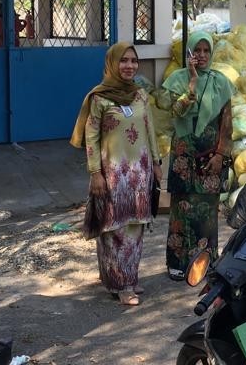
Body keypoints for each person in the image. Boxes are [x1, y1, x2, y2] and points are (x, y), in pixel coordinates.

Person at [71, 42, 162, 306]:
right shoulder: (99, 98)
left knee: (136, 226)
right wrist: (95, 172)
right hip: (113, 174)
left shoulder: (140, 95)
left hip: (140, 172)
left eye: (133, 61)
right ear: (112, 63)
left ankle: (129, 277)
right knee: (114, 229)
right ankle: (120, 285)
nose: (129, 66)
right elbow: (91, 138)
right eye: (123, 61)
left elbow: (150, 130)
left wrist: (156, 162)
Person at [161, 31, 235, 281]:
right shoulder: (177, 79)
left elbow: (227, 124)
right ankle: (178, 263)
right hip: (184, 154)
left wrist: (221, 154)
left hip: (210, 155)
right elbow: (177, 112)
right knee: (181, 209)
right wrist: (192, 82)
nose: (202, 56)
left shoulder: (221, 82)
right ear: (189, 53)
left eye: (206, 51)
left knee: (206, 212)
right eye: (197, 51)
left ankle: (205, 263)